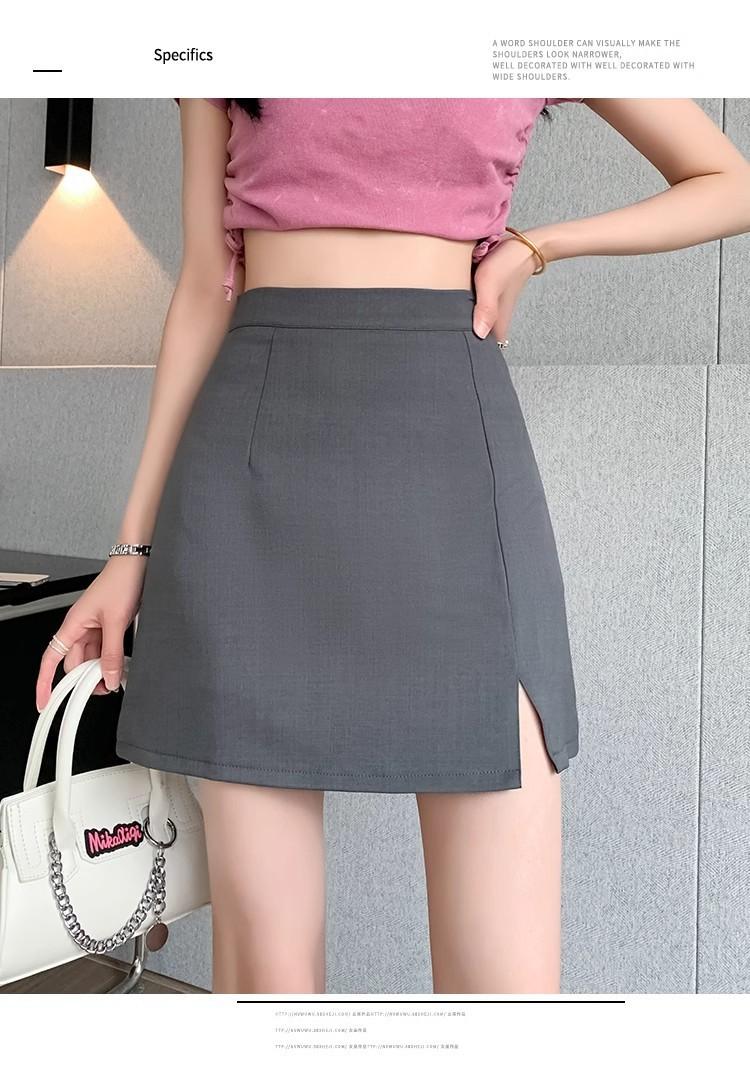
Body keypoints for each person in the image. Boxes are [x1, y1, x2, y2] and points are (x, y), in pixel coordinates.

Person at [34, 98, 750, 995]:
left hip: (453, 459)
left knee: (505, 990)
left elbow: (728, 183)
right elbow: (205, 281)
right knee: (269, 978)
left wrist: (539, 247)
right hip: (253, 476)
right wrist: (130, 551)